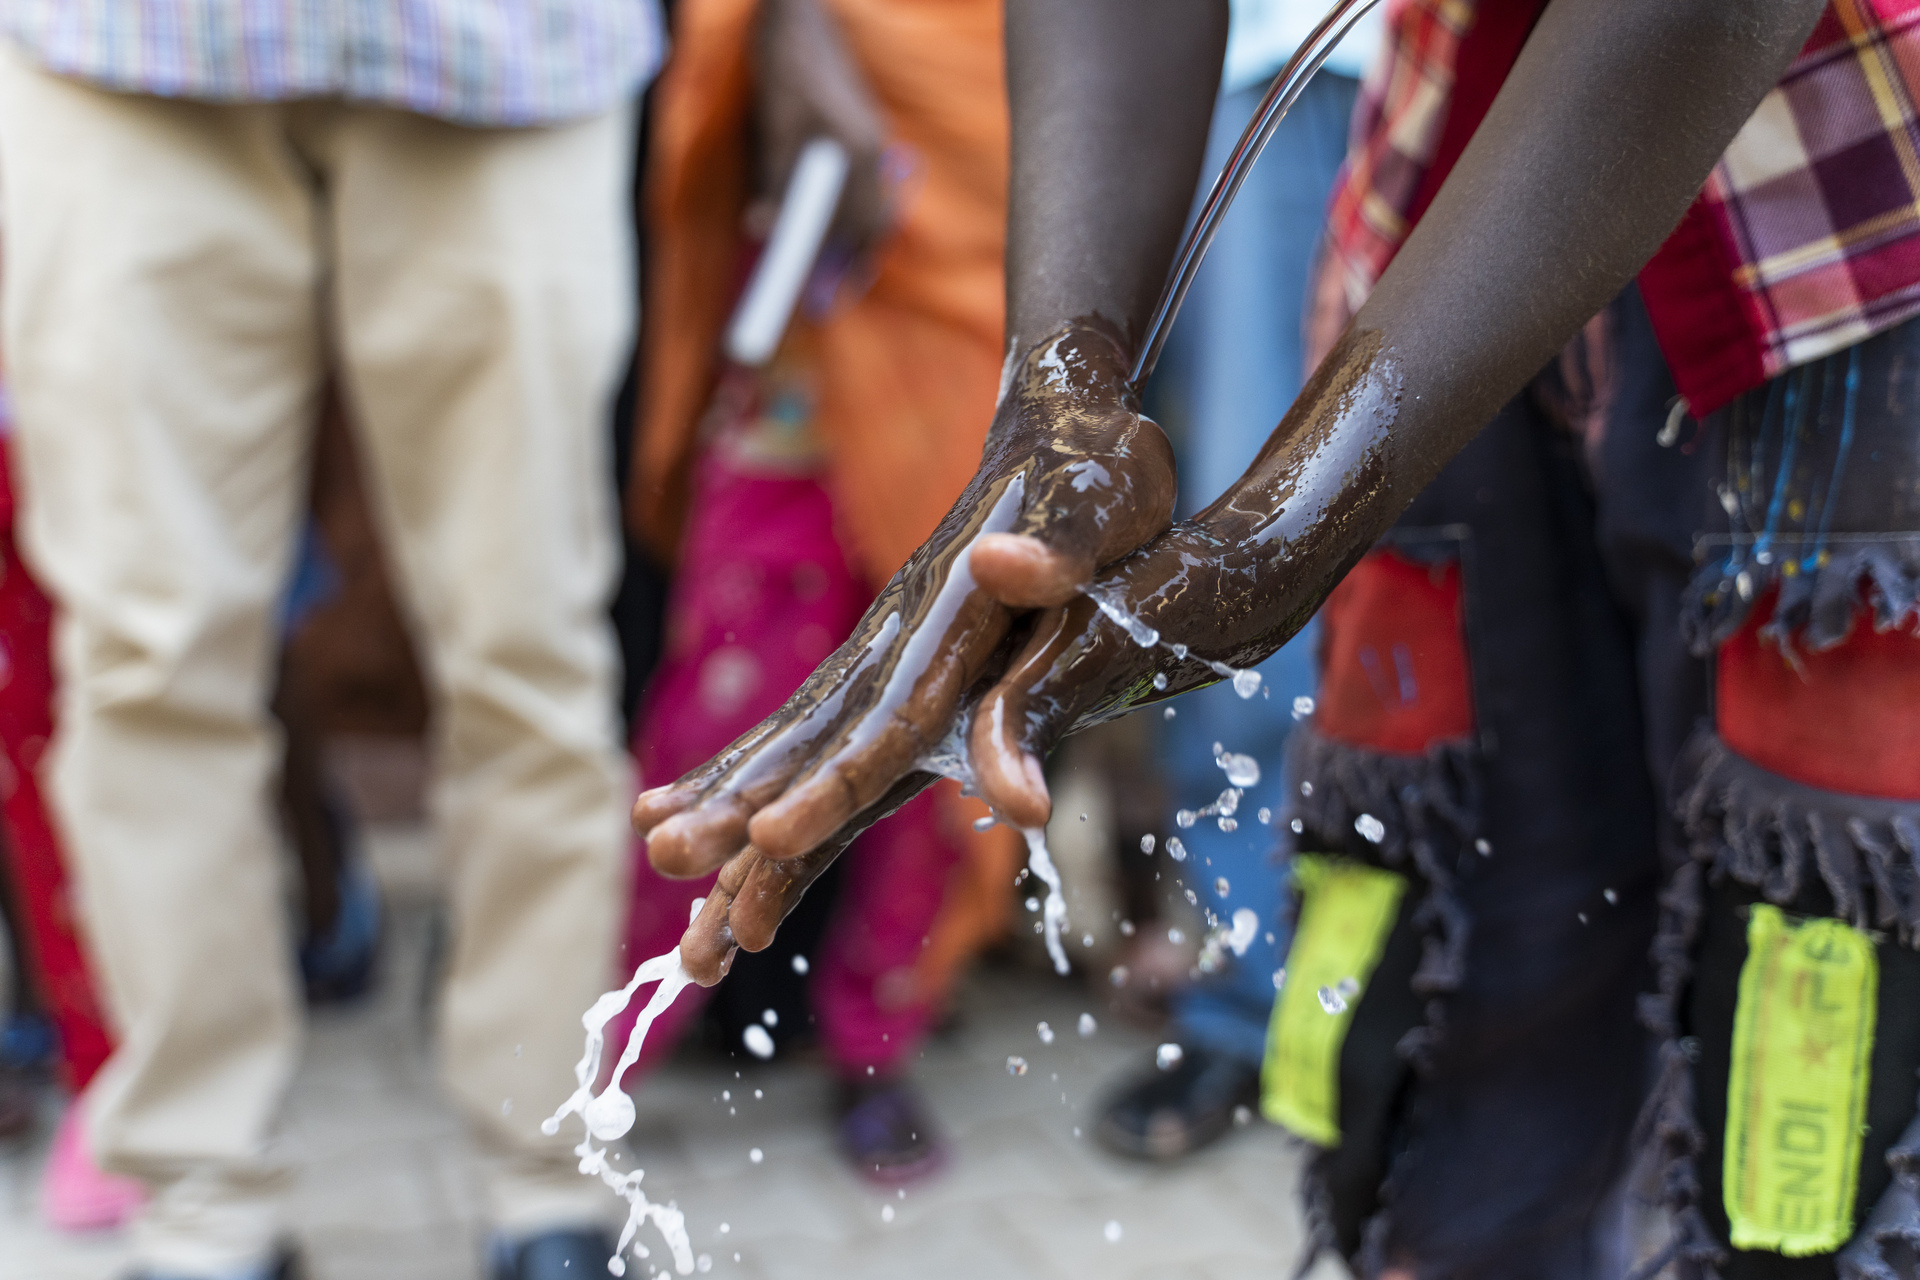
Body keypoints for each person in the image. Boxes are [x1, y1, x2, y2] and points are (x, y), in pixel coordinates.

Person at [634, 0, 1920, 1274]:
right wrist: (1057, 398)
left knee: (1814, 1092)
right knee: (1442, 1050)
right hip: (1439, 212)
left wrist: (1289, 524)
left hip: (1851, 239)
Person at [0, 2, 661, 1276]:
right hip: (124, 52)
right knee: (146, 660)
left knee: (531, 651)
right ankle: (199, 1201)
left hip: (512, 53)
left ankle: (546, 1181)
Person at [617, 0, 1019, 1182]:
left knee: (939, 699)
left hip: (975, 297)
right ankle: (618, 1037)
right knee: (721, 713)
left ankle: (874, 1045)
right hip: (805, 318)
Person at [1094, 0, 1375, 1162]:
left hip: (1516, 67)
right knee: (1247, 536)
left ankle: (1469, 980)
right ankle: (1256, 990)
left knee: (1489, 539)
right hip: (1264, 58)